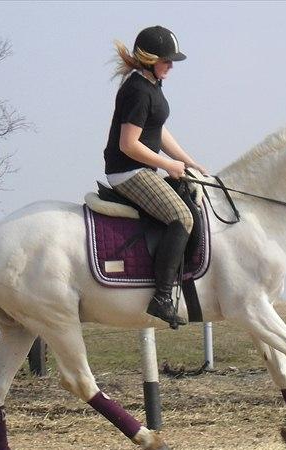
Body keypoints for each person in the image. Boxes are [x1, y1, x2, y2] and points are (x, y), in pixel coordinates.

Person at [103, 26, 207, 327]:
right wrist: (166, 165)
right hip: (127, 171)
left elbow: (157, 131)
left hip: (141, 167)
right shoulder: (137, 90)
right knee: (182, 218)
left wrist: (188, 162)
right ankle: (161, 297)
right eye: (167, 60)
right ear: (149, 59)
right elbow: (128, 144)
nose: (172, 65)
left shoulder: (151, 83)